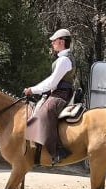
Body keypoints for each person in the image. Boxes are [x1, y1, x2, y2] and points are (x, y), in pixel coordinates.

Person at [24, 28, 76, 165]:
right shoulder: (62, 59)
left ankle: (58, 151)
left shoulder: (64, 60)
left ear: (61, 42)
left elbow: (53, 82)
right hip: (58, 92)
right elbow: (51, 79)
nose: (52, 43)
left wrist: (33, 90)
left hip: (61, 94)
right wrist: (34, 89)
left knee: (45, 113)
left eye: (54, 41)